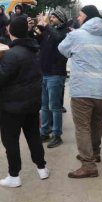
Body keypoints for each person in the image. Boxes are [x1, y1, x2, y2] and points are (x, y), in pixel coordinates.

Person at [0, 16, 47, 188]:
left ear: (11, 31)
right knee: (33, 136)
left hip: (12, 107)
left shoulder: (12, 55)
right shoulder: (35, 50)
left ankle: (14, 175)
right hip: (31, 104)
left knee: (11, 140)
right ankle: (42, 168)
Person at [58, 5, 102, 178]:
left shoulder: (75, 35)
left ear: (86, 17)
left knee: (82, 127)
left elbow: (62, 50)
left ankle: (88, 164)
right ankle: (95, 153)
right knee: (96, 124)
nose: (78, 18)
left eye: (80, 15)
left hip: (82, 90)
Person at [34, 9, 69, 149]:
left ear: (61, 19)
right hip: (44, 72)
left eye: (54, 17)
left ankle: (57, 135)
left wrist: (47, 25)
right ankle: (44, 132)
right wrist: (37, 27)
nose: (52, 18)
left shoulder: (65, 32)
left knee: (55, 106)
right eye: (51, 16)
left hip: (56, 73)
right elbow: (37, 40)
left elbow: (58, 39)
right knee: (44, 106)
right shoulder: (49, 30)